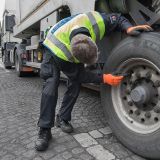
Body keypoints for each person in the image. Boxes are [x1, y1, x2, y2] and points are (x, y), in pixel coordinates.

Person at [35, 11, 152, 151]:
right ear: (74, 55)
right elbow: (79, 75)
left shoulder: (98, 21)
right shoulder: (64, 53)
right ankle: (44, 130)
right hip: (53, 49)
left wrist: (128, 27)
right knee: (51, 86)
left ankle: (63, 118)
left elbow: (117, 18)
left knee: (75, 85)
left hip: (71, 42)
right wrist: (104, 78)